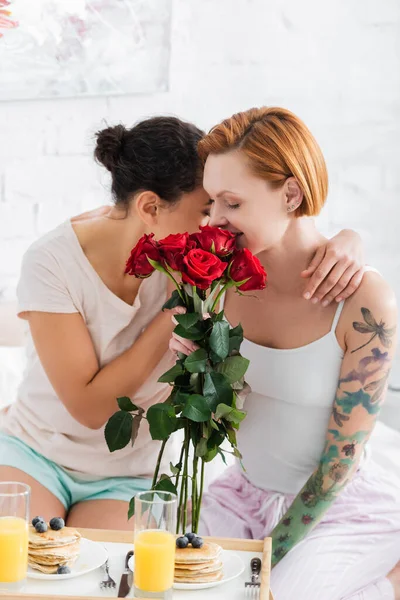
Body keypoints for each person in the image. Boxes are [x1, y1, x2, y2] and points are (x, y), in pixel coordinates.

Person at [0, 116, 363, 531]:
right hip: (35, 452)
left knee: (107, 579)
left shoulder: (205, 252)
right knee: (23, 565)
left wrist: (349, 240)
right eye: (207, 209)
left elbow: (283, 230)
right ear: (151, 208)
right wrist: (170, 316)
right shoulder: (52, 261)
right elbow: (89, 408)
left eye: (224, 206)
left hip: (130, 474)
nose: (218, 224)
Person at [170, 107, 400, 599]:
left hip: (334, 506)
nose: (216, 220)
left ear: (291, 194)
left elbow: (340, 462)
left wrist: (264, 564)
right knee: (176, 587)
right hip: (244, 495)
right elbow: (228, 418)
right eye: (212, 202)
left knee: (271, 594)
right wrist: (197, 368)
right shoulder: (220, 284)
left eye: (232, 203)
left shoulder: (364, 303)